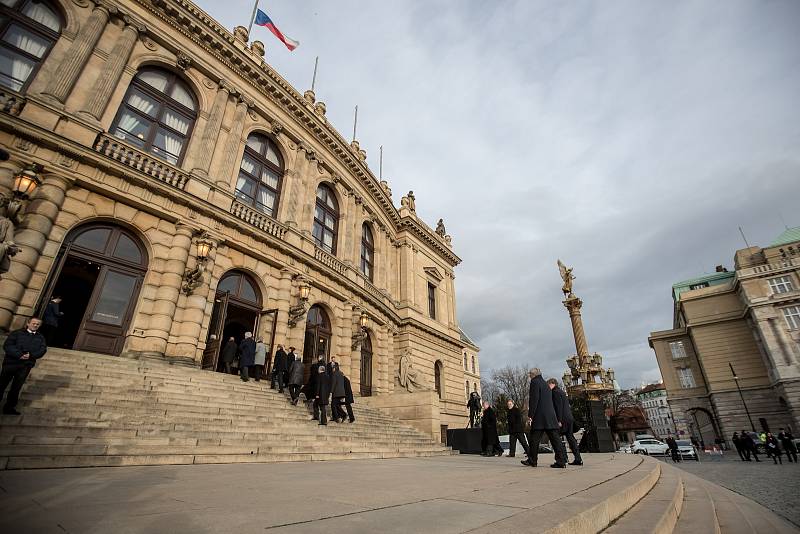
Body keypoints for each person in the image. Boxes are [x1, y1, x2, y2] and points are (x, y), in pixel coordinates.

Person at [522, 367, 566, 468]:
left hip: (540, 417)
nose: (529, 377)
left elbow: (534, 399)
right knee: (555, 439)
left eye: (530, 375)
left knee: (534, 439)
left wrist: (530, 415)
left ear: (532, 375)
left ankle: (532, 460)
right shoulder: (545, 384)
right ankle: (561, 461)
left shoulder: (535, 382)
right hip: (550, 416)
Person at [1, 317, 47, 415]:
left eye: (38, 324)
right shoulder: (16, 333)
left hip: (25, 366)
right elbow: (7, 346)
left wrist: (31, 355)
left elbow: (42, 350)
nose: (35, 325)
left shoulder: (41, 337)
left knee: (16, 387)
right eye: (34, 323)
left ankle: (9, 408)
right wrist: (19, 354)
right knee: (1, 385)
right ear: (28, 323)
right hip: (11, 363)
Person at [548, 378, 582, 466]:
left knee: (556, 438)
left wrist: (558, 420)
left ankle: (562, 459)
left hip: (562, 419)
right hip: (569, 418)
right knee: (570, 438)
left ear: (552, 384)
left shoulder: (555, 393)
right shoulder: (562, 392)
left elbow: (558, 407)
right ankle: (578, 458)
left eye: (548, 385)